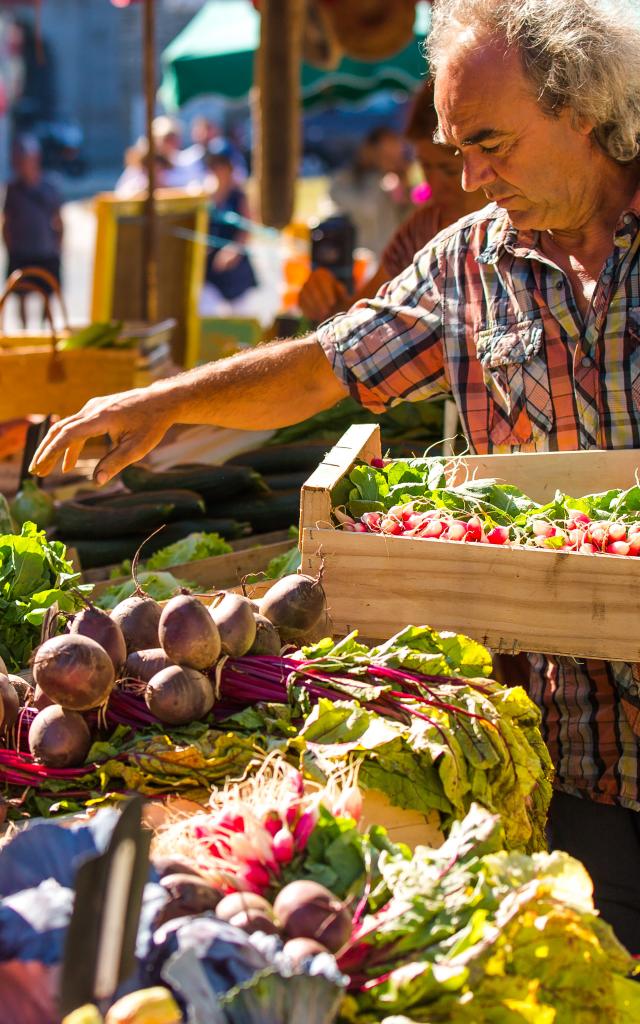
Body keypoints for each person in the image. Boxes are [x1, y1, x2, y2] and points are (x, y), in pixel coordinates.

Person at [29, 0, 640, 952]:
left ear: (583, 109)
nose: (469, 179)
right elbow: (325, 366)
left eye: (490, 144)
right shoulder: (467, 266)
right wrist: (164, 403)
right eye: (457, 150)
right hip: (577, 753)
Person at [300, 81, 482, 323]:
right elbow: (364, 313)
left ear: (483, 162)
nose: (434, 184)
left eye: (448, 170)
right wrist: (326, 302)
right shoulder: (421, 230)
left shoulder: (513, 227)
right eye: (425, 166)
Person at [2, 135, 62, 326]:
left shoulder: (49, 186)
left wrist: (58, 246)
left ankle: (45, 329)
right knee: (21, 292)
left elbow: (59, 219)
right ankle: (25, 329)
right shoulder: (12, 189)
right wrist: (10, 247)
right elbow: (6, 222)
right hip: (21, 251)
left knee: (48, 291)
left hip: (45, 250)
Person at [327, 125, 412, 259]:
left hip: (391, 259)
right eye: (385, 155)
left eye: (395, 156)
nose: (392, 161)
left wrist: (405, 189)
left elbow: (409, 220)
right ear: (368, 150)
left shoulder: (395, 182)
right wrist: (381, 181)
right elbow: (367, 210)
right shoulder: (343, 181)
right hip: (358, 258)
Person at [199, 138, 258, 317]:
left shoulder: (238, 196)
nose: (217, 169)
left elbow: (247, 228)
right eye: (214, 165)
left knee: (239, 317)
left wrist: (234, 250)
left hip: (235, 270)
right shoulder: (205, 196)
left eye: (221, 164)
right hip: (210, 271)